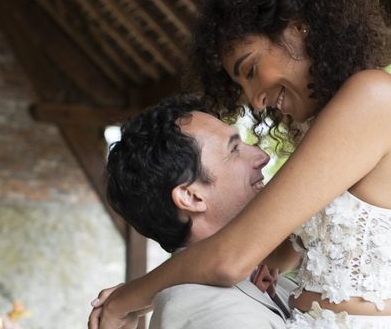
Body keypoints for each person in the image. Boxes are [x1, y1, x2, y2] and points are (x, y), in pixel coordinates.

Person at [90, 0, 391, 329]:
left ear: (299, 27)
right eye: (241, 85)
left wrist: (130, 298)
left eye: (250, 70)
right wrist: (278, 257)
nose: (254, 100)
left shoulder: (373, 99)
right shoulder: (351, 113)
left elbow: (229, 259)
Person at [104, 94, 298, 328]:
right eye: (234, 149)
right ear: (191, 197)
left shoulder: (262, 274)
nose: (263, 156)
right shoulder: (209, 314)